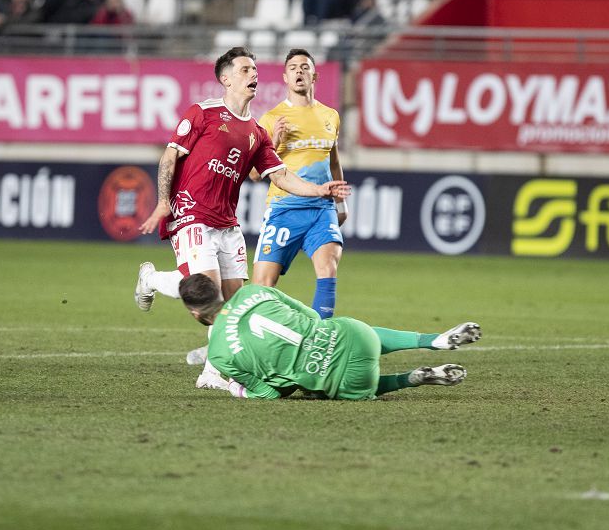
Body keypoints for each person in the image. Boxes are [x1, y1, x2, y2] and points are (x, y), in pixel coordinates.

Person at [134, 47, 351, 388]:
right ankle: (150, 280)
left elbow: (280, 176)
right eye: (246, 69)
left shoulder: (256, 132)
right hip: (192, 214)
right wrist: (164, 202)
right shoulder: (203, 113)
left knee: (235, 309)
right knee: (209, 295)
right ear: (226, 78)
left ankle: (211, 374)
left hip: (227, 224)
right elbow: (169, 157)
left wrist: (319, 190)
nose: (254, 74)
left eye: (255, 69)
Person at [179, 273, 481, 400]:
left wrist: (236, 389)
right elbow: (311, 316)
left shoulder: (218, 353)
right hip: (356, 335)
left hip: (343, 378)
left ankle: (410, 378)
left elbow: (270, 394)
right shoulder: (253, 290)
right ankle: (432, 340)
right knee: (349, 333)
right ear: (218, 289)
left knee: (320, 386)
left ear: (196, 314)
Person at [250, 49, 345, 319]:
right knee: (263, 286)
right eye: (293, 67)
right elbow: (255, 175)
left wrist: (341, 202)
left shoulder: (331, 116)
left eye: (305, 67)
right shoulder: (271, 119)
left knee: (328, 269)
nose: (299, 71)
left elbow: (334, 161)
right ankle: (242, 339)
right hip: (284, 208)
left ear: (315, 75)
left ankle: (319, 340)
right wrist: (276, 142)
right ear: (285, 77)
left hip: (321, 209)